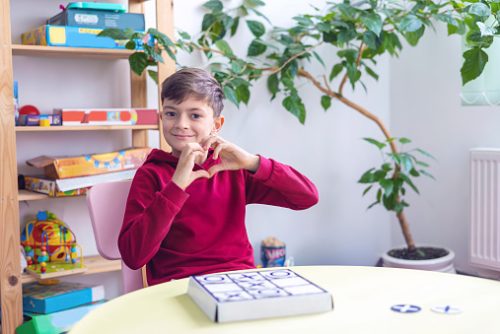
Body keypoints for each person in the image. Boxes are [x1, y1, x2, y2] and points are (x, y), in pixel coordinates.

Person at [118, 67, 319, 285]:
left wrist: (253, 162)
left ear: (216, 125)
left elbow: (307, 197)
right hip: (178, 287)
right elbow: (133, 256)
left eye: (195, 115)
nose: (181, 124)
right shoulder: (150, 174)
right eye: (171, 113)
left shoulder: (231, 168)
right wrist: (176, 187)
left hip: (239, 280)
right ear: (161, 118)